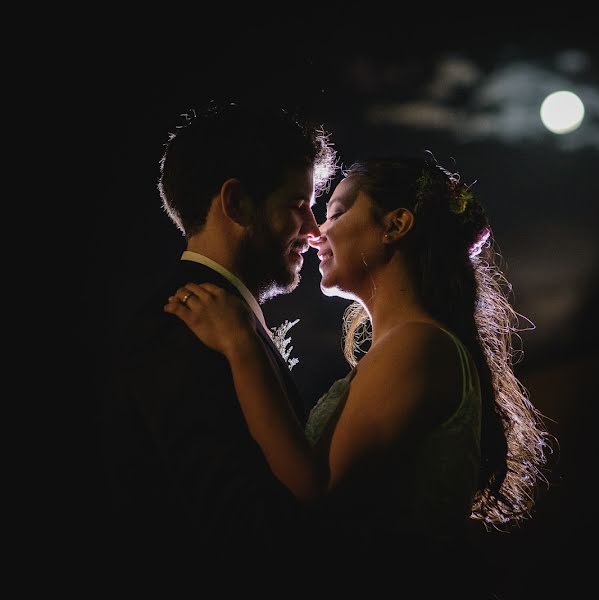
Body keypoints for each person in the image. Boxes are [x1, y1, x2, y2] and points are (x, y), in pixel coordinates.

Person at [164, 156, 551, 593]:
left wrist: (241, 346)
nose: (315, 234)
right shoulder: (408, 344)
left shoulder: (419, 345)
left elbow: (318, 489)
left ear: (395, 225)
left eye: (336, 213)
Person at [101, 100, 338, 569]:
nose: (313, 230)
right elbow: (225, 523)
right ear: (236, 203)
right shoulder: (179, 329)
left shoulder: (216, 317)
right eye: (297, 206)